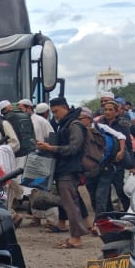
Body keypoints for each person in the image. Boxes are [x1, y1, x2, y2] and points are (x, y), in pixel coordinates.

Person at [36, 96, 91, 248]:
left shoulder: (74, 125)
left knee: (70, 204)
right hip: (64, 169)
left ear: (65, 107)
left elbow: (74, 148)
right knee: (70, 204)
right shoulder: (65, 124)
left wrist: (51, 148)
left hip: (69, 170)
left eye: (56, 111)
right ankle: (76, 234)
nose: (55, 115)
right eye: (52, 112)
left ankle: (76, 238)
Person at [88, 100, 132, 215]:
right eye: (105, 109)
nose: (107, 112)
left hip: (118, 161)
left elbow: (127, 142)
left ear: (117, 112)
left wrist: (128, 160)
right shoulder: (100, 124)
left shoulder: (122, 124)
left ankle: (129, 212)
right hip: (105, 163)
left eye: (110, 110)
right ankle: (107, 215)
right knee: (103, 193)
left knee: (120, 189)